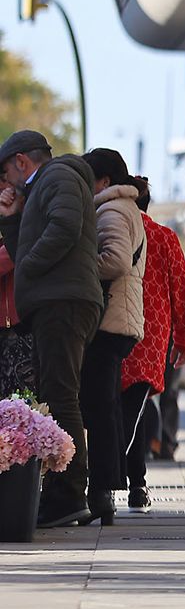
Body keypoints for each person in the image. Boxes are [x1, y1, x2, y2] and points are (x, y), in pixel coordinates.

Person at [0, 130, 103, 529]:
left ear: (22, 161)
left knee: (61, 396)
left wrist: (27, 269)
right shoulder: (44, 186)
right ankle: (62, 493)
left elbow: (63, 228)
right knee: (53, 394)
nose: (7, 182)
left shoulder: (59, 176)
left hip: (64, 303)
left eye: (7, 172)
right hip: (54, 302)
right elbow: (28, 242)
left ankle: (69, 495)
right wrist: (11, 219)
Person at [118, 176, 185, 511]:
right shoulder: (165, 238)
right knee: (133, 412)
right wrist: (184, 339)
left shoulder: (106, 230)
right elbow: (182, 293)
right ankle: (135, 484)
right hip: (150, 341)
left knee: (117, 413)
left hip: (108, 335)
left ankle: (116, 484)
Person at [80, 148, 147, 526]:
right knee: (105, 405)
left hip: (108, 319)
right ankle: (104, 488)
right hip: (122, 318)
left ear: (103, 181)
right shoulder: (128, 209)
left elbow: (117, 261)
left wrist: (76, 267)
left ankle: (101, 490)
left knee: (99, 406)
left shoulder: (111, 210)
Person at [0, 246, 35, 398]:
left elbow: (13, 250)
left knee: (19, 389)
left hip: (18, 324)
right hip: (8, 323)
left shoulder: (17, 229)